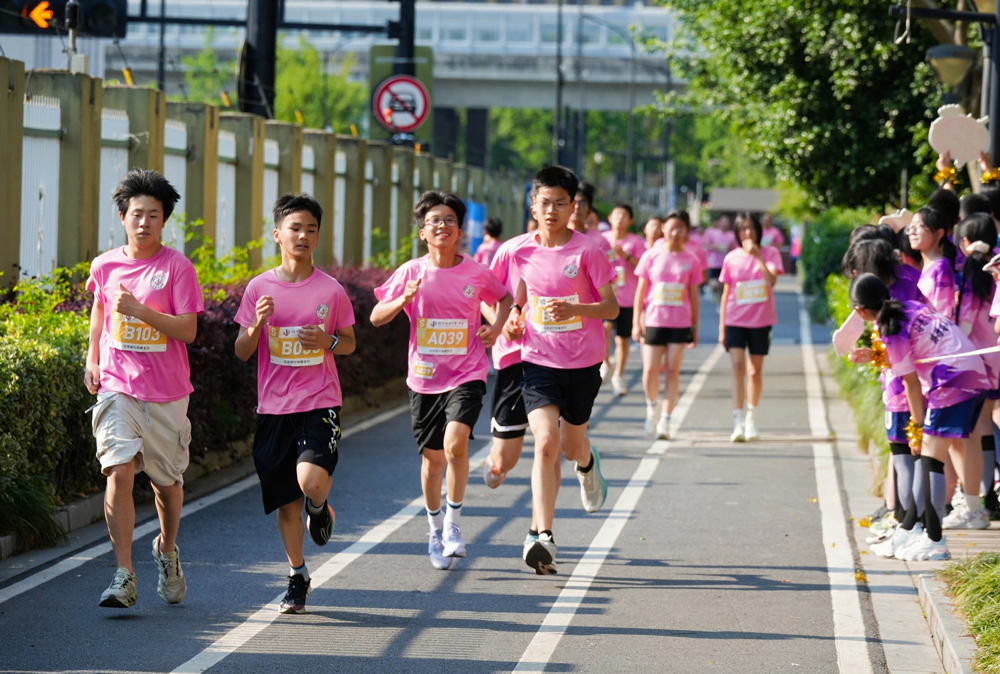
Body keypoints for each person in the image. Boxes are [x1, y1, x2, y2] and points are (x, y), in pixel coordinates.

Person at [372, 191, 512, 570]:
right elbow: (376, 316)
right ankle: (434, 530)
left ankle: (453, 525)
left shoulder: (475, 272)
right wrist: (403, 299)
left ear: (460, 229)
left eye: (450, 219)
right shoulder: (411, 272)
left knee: (455, 446)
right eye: (435, 220)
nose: (443, 226)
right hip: (424, 379)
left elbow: (504, 297)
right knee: (433, 462)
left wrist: (496, 329)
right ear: (423, 231)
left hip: (467, 373)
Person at [84, 169, 203, 609]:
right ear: (122, 216)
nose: (144, 222)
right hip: (118, 386)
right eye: (137, 214)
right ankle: (123, 573)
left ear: (164, 220)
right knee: (117, 468)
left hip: (168, 393)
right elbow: (100, 310)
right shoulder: (105, 265)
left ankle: (167, 549)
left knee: (166, 484)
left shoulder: (177, 268)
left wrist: (138, 310)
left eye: (154, 215)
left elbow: (188, 330)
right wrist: (92, 357)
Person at [234, 193, 357, 613]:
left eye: (311, 229)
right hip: (273, 409)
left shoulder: (331, 290)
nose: (303, 235)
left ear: (317, 237)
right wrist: (255, 325)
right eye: (295, 228)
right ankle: (297, 574)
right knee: (286, 503)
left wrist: (329, 341)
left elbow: (350, 343)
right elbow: (242, 351)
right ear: (277, 235)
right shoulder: (259, 288)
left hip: (319, 402)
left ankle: (319, 507)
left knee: (309, 482)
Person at [503, 166, 618, 575]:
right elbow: (519, 293)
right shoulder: (520, 250)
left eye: (560, 203)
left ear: (573, 207)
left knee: (570, 447)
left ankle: (587, 464)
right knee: (546, 442)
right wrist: (515, 316)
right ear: (532, 205)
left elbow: (612, 307)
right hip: (538, 361)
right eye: (544, 203)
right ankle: (542, 536)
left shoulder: (587, 251)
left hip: (583, 363)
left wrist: (576, 309)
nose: (550, 210)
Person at [851, 273, 990, 561]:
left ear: (860, 311)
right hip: (973, 376)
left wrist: (915, 427)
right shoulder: (910, 307)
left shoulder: (890, 327)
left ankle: (935, 541)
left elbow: (911, 383)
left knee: (929, 460)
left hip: (952, 382)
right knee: (930, 459)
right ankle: (912, 530)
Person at [949, 213, 1000, 527]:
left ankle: (980, 496)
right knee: (987, 421)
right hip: (995, 360)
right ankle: (985, 495)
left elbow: (965, 326)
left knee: (976, 426)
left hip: (976, 364)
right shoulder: (991, 273)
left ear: (964, 242)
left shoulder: (969, 277)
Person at [633, 211, 702, 439]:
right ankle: (651, 406)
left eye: (680, 229)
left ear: (686, 232)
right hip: (654, 320)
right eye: (671, 228)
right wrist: (636, 321)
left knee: (672, 371)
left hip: (679, 323)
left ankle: (666, 420)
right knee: (651, 370)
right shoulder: (651, 255)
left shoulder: (691, 260)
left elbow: (693, 296)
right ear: (663, 229)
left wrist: (695, 326)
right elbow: (641, 291)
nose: (675, 233)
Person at [718, 212, 783, 442]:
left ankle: (751, 418)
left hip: (761, 321)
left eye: (752, 229)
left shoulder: (771, 254)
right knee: (737, 367)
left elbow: (772, 281)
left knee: (754, 372)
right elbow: (726, 294)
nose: (748, 233)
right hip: (735, 320)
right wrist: (722, 328)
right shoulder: (731, 258)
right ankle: (737, 421)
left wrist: (757, 258)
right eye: (743, 229)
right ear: (737, 233)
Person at [568, 181, 617, 382]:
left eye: (583, 203)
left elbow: (613, 277)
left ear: (589, 208)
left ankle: (605, 359)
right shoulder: (551, 239)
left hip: (589, 315)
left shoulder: (601, 242)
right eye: (574, 202)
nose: (578, 207)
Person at [603, 203, 647, 396]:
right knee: (604, 329)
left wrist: (625, 256)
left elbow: (643, 267)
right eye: (617, 214)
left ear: (630, 221)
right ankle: (605, 363)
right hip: (605, 296)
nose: (620, 218)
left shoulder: (636, 242)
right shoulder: (602, 240)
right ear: (610, 218)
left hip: (627, 298)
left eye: (624, 215)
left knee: (622, 340)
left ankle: (619, 375)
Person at [908, 207, 957, 320]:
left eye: (919, 226)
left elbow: (944, 315)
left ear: (939, 233)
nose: (912, 231)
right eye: (910, 226)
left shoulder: (941, 267)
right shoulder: (926, 266)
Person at [704, 215, 738, 300]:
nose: (725, 224)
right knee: (714, 284)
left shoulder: (732, 235)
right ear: (719, 223)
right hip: (715, 263)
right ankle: (711, 290)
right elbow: (706, 244)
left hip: (727, 264)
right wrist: (716, 247)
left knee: (725, 286)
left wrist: (729, 248)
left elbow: (737, 248)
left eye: (727, 222)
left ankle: (721, 301)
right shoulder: (712, 233)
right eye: (723, 222)